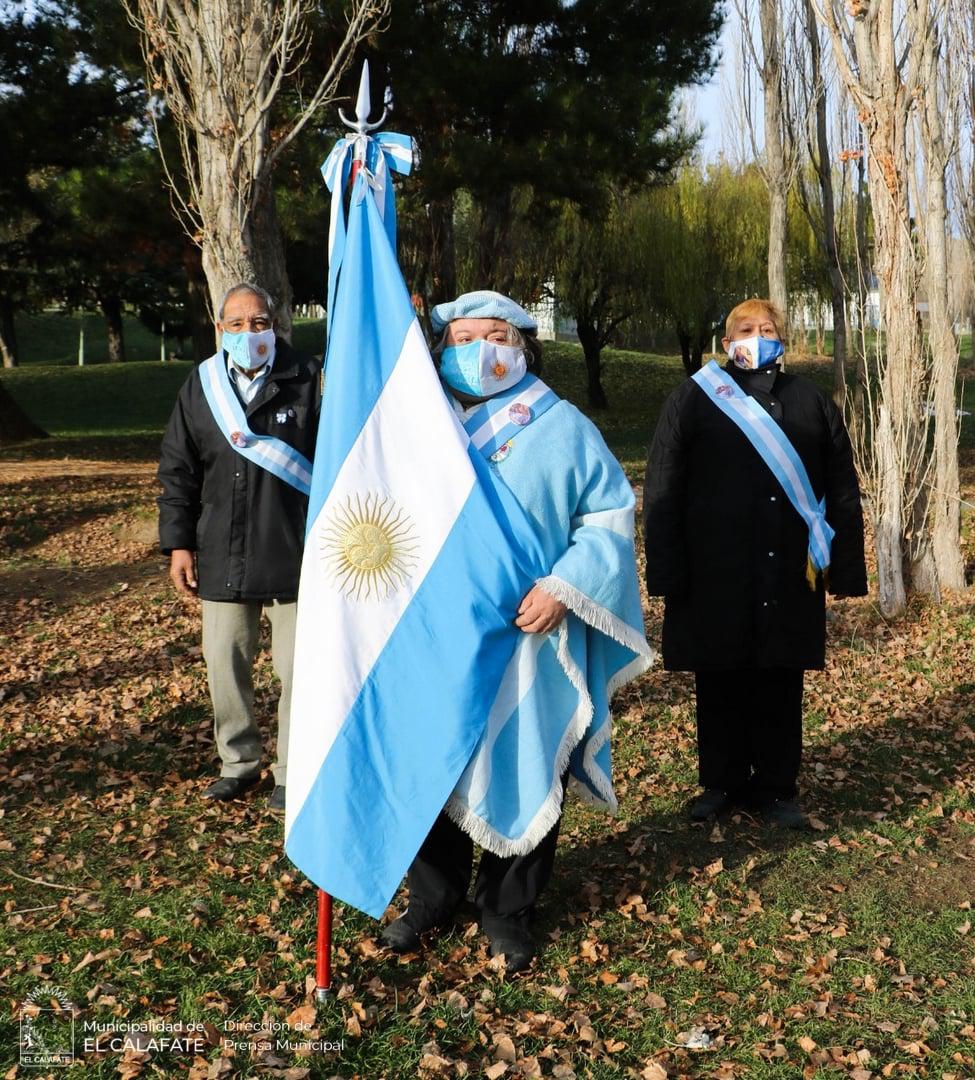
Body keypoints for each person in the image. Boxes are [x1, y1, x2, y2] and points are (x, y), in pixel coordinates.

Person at [380, 290, 652, 971]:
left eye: (495, 335)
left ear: (522, 344)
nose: (479, 351)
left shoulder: (562, 426)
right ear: (440, 348)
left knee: (530, 757)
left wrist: (567, 587)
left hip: (529, 634)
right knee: (428, 761)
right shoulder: (411, 425)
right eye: (463, 338)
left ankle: (507, 907)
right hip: (430, 635)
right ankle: (432, 896)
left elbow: (607, 516)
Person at [643, 299, 867, 829]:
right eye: (746, 329)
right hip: (713, 570)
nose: (757, 336)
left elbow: (841, 487)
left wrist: (847, 571)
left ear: (782, 340)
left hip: (790, 570)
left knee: (779, 678)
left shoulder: (812, 401)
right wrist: (667, 570)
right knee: (719, 677)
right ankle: (720, 783)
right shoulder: (692, 401)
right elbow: (662, 487)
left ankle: (776, 787)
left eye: (767, 329)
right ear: (727, 343)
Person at [158, 283, 321, 811]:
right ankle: (239, 763)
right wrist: (178, 544)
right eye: (237, 324)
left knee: (299, 670)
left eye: (259, 323)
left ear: (275, 325)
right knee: (224, 663)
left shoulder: (310, 379)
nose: (249, 333)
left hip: (296, 552)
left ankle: (292, 772)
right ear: (219, 328)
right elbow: (178, 471)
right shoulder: (199, 385)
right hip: (222, 550)